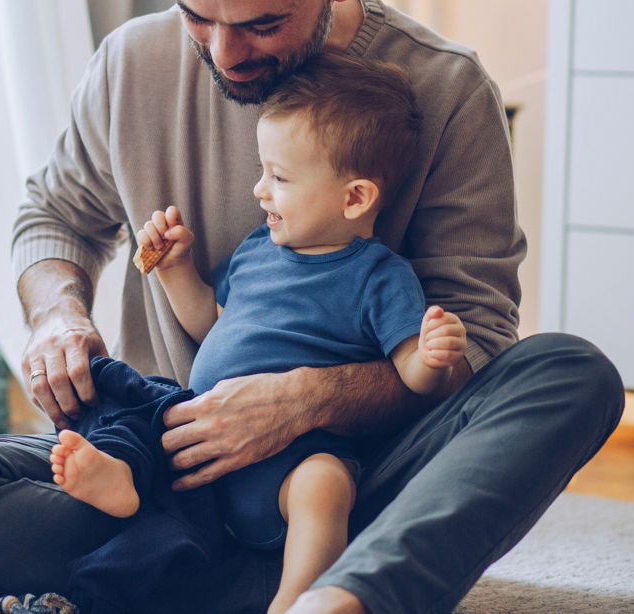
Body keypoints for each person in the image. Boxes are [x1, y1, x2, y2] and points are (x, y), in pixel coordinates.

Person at [0, 0, 624, 614]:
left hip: (352, 479)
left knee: (571, 375)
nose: (225, 55)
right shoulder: (132, 63)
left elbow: (478, 342)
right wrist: (57, 315)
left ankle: (336, 591)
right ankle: (280, 583)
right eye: (198, 17)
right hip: (163, 471)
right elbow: (54, 214)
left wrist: (304, 401)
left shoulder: (444, 90)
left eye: (262, 24)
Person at [49, 53, 468, 614]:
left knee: (326, 486)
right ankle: (122, 479)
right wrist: (176, 270)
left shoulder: (379, 275)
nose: (259, 191)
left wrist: (435, 354)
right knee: (128, 403)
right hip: (196, 444)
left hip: (296, 458)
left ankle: (297, 597)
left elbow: (410, 372)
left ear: (355, 198)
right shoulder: (256, 250)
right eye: (262, 171)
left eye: (279, 177)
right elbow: (211, 324)